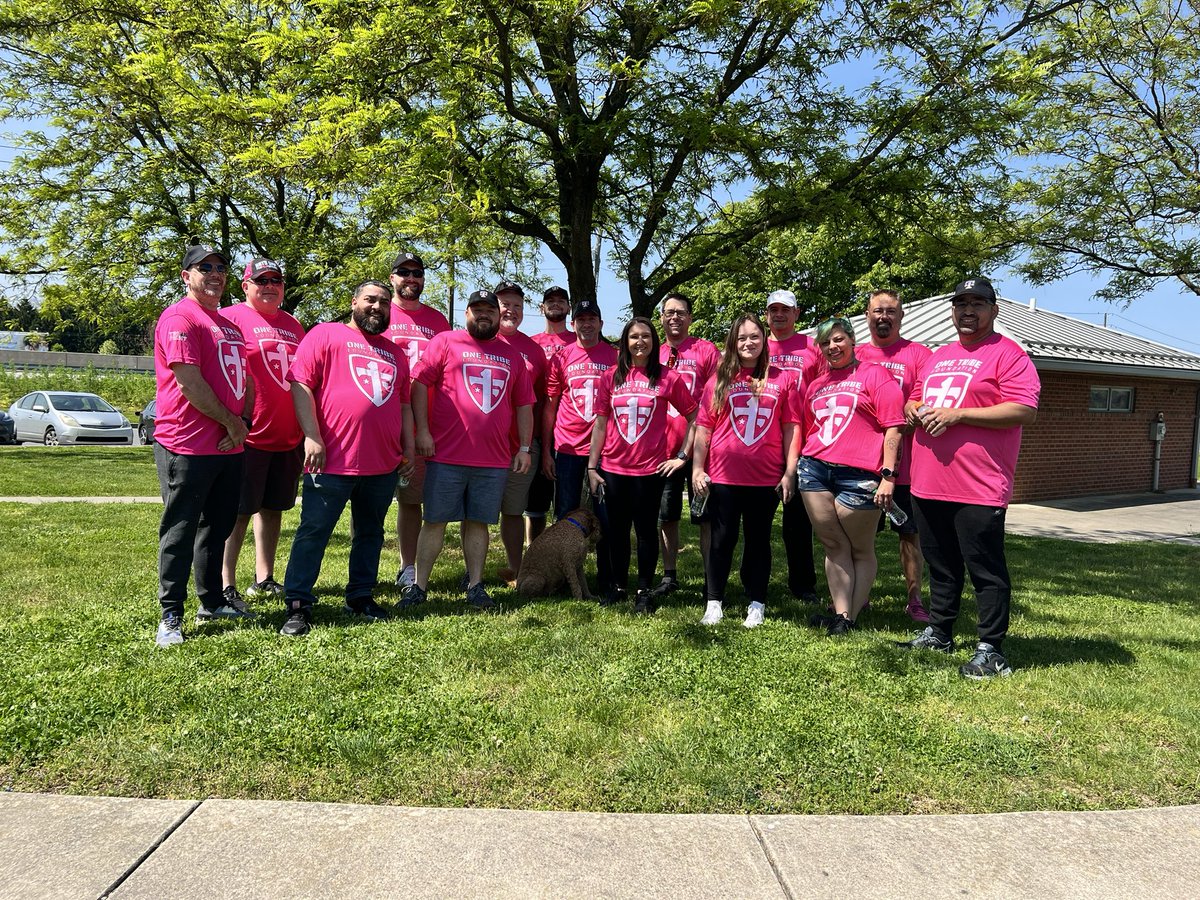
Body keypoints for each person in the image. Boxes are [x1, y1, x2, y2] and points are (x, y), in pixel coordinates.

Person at [899, 277, 1040, 679]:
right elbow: (918, 396)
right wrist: (913, 409)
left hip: (978, 486)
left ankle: (991, 649)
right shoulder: (938, 355)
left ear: (994, 311)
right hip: (928, 482)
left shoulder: (1009, 355)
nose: (968, 311)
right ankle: (940, 631)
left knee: (985, 568)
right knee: (941, 564)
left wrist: (959, 415)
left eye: (978, 303)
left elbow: (1024, 409)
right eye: (961, 303)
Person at [278, 281, 415, 637]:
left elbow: (403, 404)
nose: (377, 306)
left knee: (370, 533)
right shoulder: (325, 335)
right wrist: (311, 435)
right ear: (354, 302)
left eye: (384, 302)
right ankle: (298, 604)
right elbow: (300, 383)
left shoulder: (396, 354)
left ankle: (360, 596)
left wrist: (409, 447)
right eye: (370, 299)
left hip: (382, 463)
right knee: (314, 532)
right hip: (332, 460)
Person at [402, 290, 535, 611]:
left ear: (497, 315)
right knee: (434, 520)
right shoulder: (446, 342)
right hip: (446, 455)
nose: (483, 314)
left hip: (492, 459)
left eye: (489, 309)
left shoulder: (513, 356)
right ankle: (419, 586)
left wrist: (525, 447)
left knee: (478, 522)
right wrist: (424, 431)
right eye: (477, 309)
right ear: (467, 313)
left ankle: (475, 585)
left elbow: (524, 405)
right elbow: (419, 383)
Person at [152, 243, 254, 648]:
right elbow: (189, 382)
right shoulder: (180, 317)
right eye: (204, 267)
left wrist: (242, 423)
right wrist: (231, 421)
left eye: (221, 267)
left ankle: (211, 601)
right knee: (181, 529)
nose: (215, 273)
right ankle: (171, 615)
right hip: (187, 444)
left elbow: (242, 379)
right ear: (186, 276)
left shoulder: (228, 324)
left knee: (218, 526)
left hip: (230, 445)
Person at [691, 315, 800, 628]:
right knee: (721, 540)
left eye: (754, 336)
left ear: (764, 340)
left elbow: (791, 427)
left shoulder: (782, 378)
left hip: (765, 477)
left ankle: (756, 602)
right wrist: (698, 468)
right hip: (724, 476)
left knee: (758, 541)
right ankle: (714, 602)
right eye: (741, 338)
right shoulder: (719, 379)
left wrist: (789, 472)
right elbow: (704, 428)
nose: (748, 343)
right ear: (732, 342)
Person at [797, 316, 903, 636]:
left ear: (853, 341)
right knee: (832, 543)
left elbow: (894, 427)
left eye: (839, 339)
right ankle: (841, 614)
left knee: (859, 547)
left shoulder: (875, 375)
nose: (832, 346)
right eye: (826, 342)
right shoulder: (816, 384)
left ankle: (850, 617)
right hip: (814, 468)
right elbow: (810, 426)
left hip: (859, 473)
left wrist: (889, 476)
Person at [587, 317, 697, 612]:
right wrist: (592, 467)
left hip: (649, 471)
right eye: (634, 336)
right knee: (617, 532)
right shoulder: (610, 377)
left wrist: (682, 457)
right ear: (625, 342)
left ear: (654, 341)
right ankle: (619, 586)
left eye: (646, 336)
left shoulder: (667, 378)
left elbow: (695, 417)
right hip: (613, 469)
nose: (640, 342)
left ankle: (644, 590)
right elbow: (600, 424)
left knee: (646, 531)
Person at [219, 258, 306, 607]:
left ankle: (264, 577)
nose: (270, 286)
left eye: (276, 280)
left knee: (272, 510)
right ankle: (225, 582)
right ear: (245, 286)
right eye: (261, 280)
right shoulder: (230, 318)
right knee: (238, 512)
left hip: (287, 437)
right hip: (249, 435)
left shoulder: (294, 325)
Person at [855, 289, 932, 623]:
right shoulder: (853, 354)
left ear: (900, 316)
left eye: (890, 311)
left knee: (909, 534)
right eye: (877, 311)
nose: (883, 316)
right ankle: (860, 595)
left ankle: (914, 599)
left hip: (907, 465)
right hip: (862, 461)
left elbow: (918, 402)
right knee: (859, 534)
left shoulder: (918, 355)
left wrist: (902, 409)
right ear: (867, 315)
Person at [384, 251, 451, 589]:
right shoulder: (379, 312)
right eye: (404, 272)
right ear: (392, 277)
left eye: (417, 273)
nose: (411, 278)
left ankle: (410, 567)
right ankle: (379, 567)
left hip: (425, 423)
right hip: (383, 420)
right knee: (372, 500)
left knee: (415, 500)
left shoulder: (438, 321)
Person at [542, 298, 619, 591]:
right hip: (568, 447)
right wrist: (548, 451)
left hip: (604, 450)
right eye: (581, 319)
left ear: (600, 323)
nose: (586, 324)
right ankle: (562, 576)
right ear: (573, 324)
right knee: (565, 514)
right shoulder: (562, 357)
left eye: (592, 319)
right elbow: (550, 405)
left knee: (605, 515)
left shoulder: (614, 356)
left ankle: (606, 576)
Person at [654, 292, 719, 597]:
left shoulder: (706, 351)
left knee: (705, 518)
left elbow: (714, 399)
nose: (675, 317)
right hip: (662, 450)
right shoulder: (651, 351)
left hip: (700, 452)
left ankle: (711, 578)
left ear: (690, 318)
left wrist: (690, 451)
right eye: (669, 313)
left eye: (681, 312)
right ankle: (669, 576)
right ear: (662, 318)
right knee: (666, 515)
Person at [765, 288, 823, 605]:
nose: (779, 315)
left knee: (797, 522)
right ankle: (754, 579)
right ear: (767, 315)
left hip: (802, 442)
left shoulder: (812, 348)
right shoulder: (756, 346)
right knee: (758, 520)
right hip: (762, 442)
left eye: (785, 310)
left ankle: (803, 584)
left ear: (796, 314)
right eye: (773, 310)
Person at [494, 280, 549, 581]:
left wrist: (532, 444)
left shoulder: (534, 350)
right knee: (474, 511)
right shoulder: (478, 340)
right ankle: (470, 571)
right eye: (505, 304)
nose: (511, 310)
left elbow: (539, 401)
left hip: (520, 446)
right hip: (483, 444)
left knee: (514, 510)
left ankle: (516, 568)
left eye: (517, 306)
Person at [525, 285, 575, 543]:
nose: (556, 304)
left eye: (561, 300)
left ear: (568, 308)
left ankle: (562, 557)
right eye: (550, 300)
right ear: (541, 308)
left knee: (567, 505)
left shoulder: (579, 342)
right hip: (534, 429)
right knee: (535, 504)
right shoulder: (530, 343)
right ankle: (533, 555)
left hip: (570, 433)